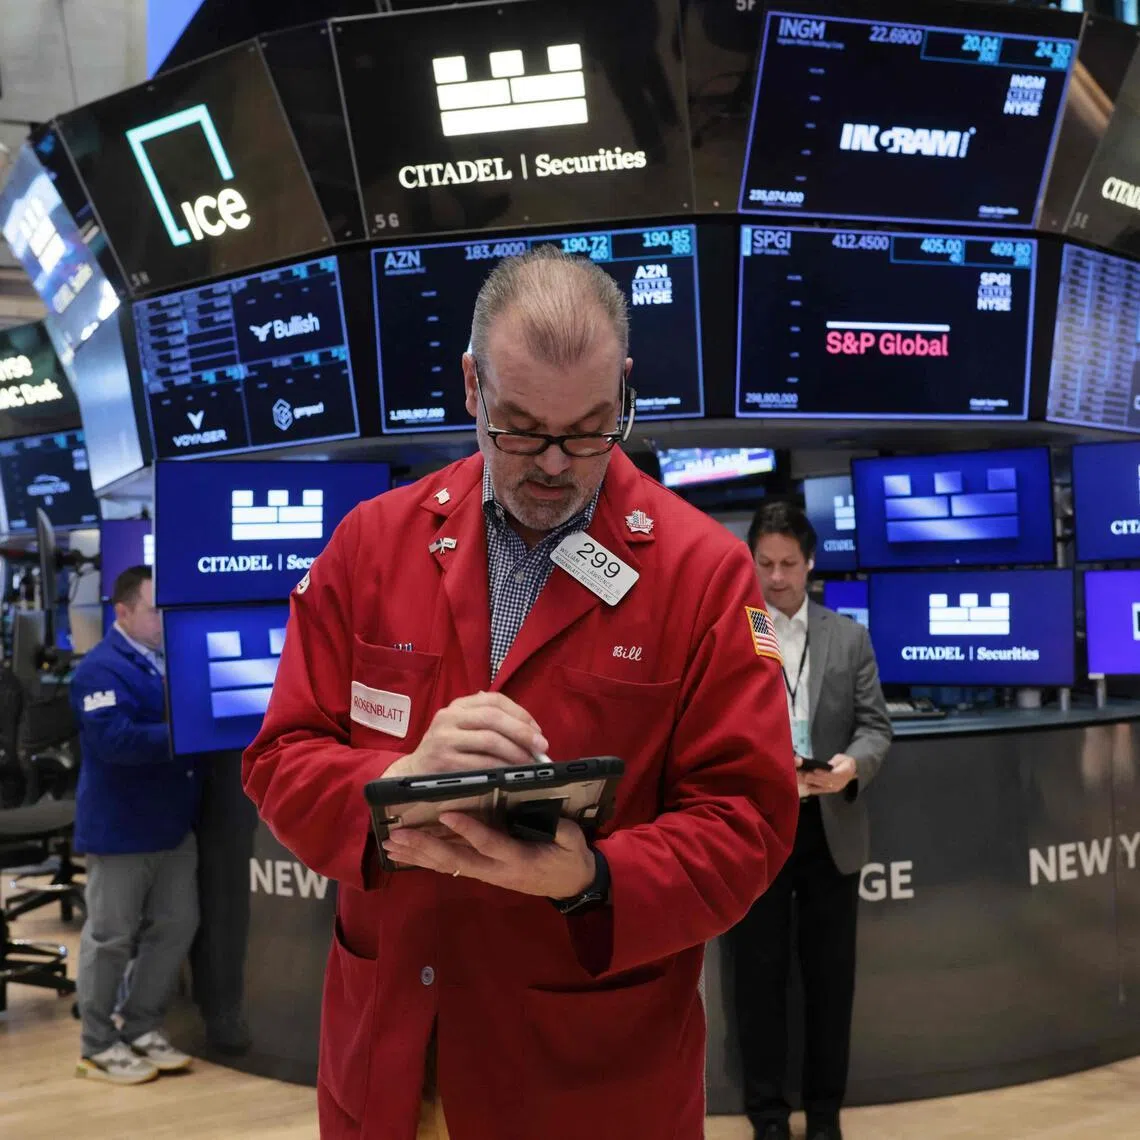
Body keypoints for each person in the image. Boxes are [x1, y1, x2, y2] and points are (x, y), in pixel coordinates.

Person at [243, 246, 799, 1140]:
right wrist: (395, 780)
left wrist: (593, 875)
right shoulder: (370, 544)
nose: (554, 462)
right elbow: (280, 757)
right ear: (471, 385)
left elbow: (747, 820)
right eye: (518, 426)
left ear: (624, 388)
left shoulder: (702, 574)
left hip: (588, 1079)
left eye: (588, 429)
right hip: (392, 1056)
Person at [730, 501, 892, 1140]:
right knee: (757, 982)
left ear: (811, 562)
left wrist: (853, 766)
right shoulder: (733, 633)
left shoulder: (848, 637)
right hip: (758, 832)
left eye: (788, 564)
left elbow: (876, 726)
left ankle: (825, 1116)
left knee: (830, 984)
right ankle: (767, 1117)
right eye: (764, 564)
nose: (775, 577)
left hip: (829, 831)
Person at [71, 566, 198, 1085]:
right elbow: (114, 743)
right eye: (153, 609)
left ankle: (142, 1027)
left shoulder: (169, 660)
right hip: (121, 831)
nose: (162, 618)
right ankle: (98, 1045)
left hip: (172, 826)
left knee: (175, 928)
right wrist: (187, 731)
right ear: (122, 611)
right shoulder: (98, 670)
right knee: (110, 938)